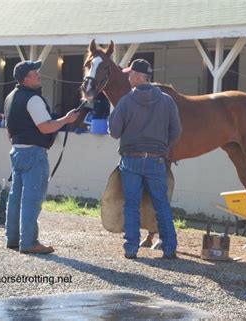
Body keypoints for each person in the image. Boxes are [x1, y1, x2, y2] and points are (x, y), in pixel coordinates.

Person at [108, 58, 182, 259]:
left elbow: (114, 132)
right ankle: (169, 248)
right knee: (161, 204)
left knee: (131, 204)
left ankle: (131, 249)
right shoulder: (167, 101)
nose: (129, 77)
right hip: (156, 159)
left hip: (131, 159)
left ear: (137, 76)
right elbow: (176, 131)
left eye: (131, 74)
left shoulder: (126, 101)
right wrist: (163, 148)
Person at [4, 60, 79, 254]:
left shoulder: (10, 97)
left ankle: (13, 238)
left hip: (17, 150)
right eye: (35, 73)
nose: (39, 75)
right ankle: (28, 242)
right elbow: (45, 127)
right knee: (32, 198)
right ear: (26, 79)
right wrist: (66, 120)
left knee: (16, 197)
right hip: (33, 153)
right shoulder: (33, 99)